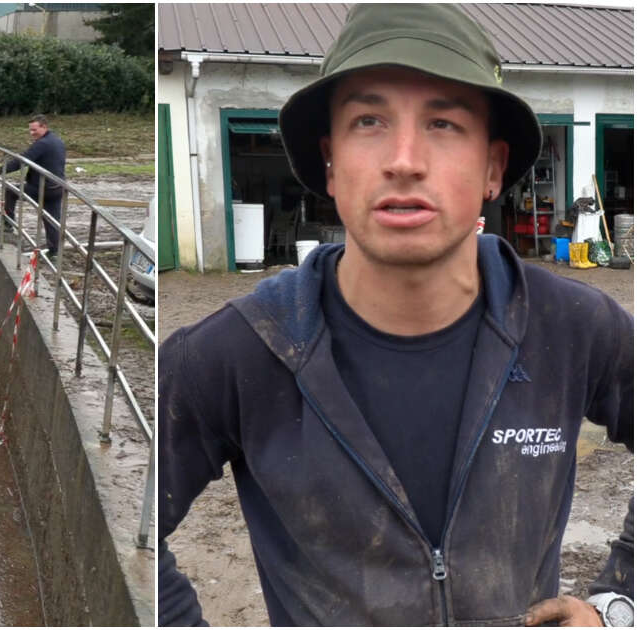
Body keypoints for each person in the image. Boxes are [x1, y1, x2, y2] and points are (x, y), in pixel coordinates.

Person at [158, 4, 633, 627]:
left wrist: (614, 604)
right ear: (329, 161)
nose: (404, 159)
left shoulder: (573, 327)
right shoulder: (241, 352)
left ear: (492, 168)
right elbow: (128, 523)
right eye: (369, 120)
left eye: (443, 122)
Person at [0, 114, 67, 255]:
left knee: (10, 190)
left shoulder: (42, 144)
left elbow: (21, 161)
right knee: (51, 220)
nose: (31, 133)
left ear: (44, 127)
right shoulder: (57, 141)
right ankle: (54, 252)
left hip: (43, 187)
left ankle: (8, 224)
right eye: (30, 130)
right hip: (57, 186)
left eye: (34, 130)